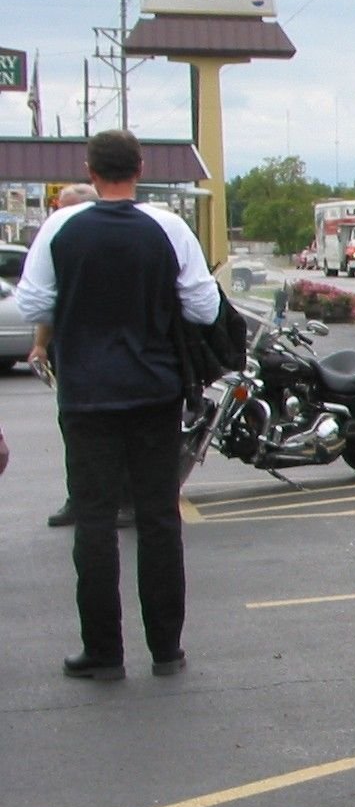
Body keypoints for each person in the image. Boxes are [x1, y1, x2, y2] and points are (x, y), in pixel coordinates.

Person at [18, 131, 221, 681]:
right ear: (140, 167)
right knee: (158, 518)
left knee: (95, 519)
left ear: (89, 168)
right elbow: (203, 307)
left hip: (86, 391)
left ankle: (103, 651)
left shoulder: (60, 227)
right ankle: (166, 649)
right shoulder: (168, 227)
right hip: (154, 388)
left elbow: (30, 302)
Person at [39, 182, 126, 529]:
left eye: (70, 209)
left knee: (118, 432)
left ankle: (122, 500)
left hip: (116, 353)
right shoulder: (60, 247)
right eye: (60, 210)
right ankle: (79, 499)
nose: (63, 217)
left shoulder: (115, 246)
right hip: (73, 354)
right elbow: (46, 302)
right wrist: (40, 345)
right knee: (74, 431)